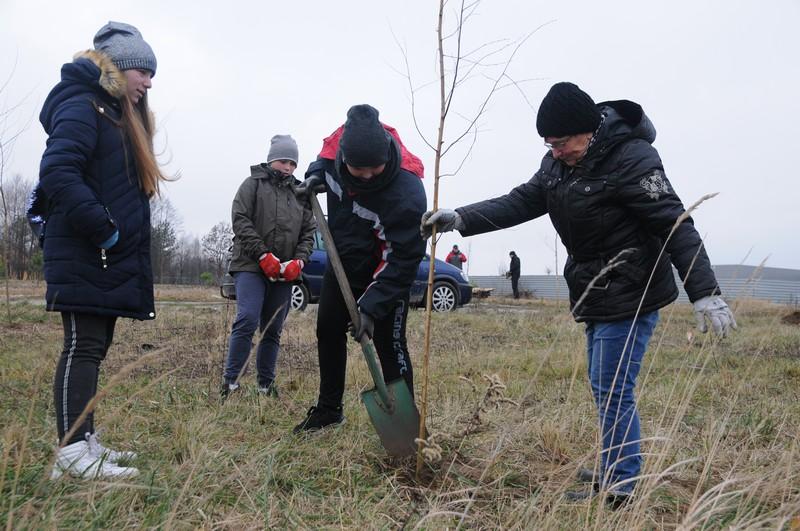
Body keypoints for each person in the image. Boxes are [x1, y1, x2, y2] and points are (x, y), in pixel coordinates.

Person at [421, 82, 737, 505]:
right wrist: (461, 218)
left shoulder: (632, 158)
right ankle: (614, 465)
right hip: (593, 289)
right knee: (603, 385)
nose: (555, 152)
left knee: (612, 387)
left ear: (588, 131)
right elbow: (520, 201)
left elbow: (674, 224)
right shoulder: (557, 164)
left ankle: (622, 486)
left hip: (632, 289)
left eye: (562, 143)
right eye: (549, 144)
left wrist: (704, 291)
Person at [31, 21, 166, 479]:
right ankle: (70, 456)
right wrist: (104, 230)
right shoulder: (82, 105)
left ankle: (84, 440)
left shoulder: (109, 111)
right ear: (119, 67)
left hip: (102, 256)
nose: (148, 83)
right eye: (143, 72)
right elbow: (58, 172)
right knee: (81, 346)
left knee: (94, 346)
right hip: (85, 249)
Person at [293, 104, 427, 432]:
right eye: (358, 169)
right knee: (328, 330)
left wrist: (371, 306)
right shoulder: (335, 153)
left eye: (375, 168)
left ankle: (406, 431)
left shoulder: (406, 192)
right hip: (342, 265)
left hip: (386, 276)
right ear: (344, 158)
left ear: (386, 155)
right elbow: (321, 162)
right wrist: (313, 178)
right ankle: (329, 412)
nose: (367, 175)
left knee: (389, 344)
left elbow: (404, 260)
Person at [221, 135, 316, 398]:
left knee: (273, 328)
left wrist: (299, 261)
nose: (288, 167)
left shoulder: (300, 194)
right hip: (250, 265)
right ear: (272, 159)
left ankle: (265, 385)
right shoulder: (252, 184)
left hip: (284, 272)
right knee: (248, 318)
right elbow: (240, 220)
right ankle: (231, 383)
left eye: (293, 163)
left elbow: (308, 232)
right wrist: (263, 255)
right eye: (284, 161)